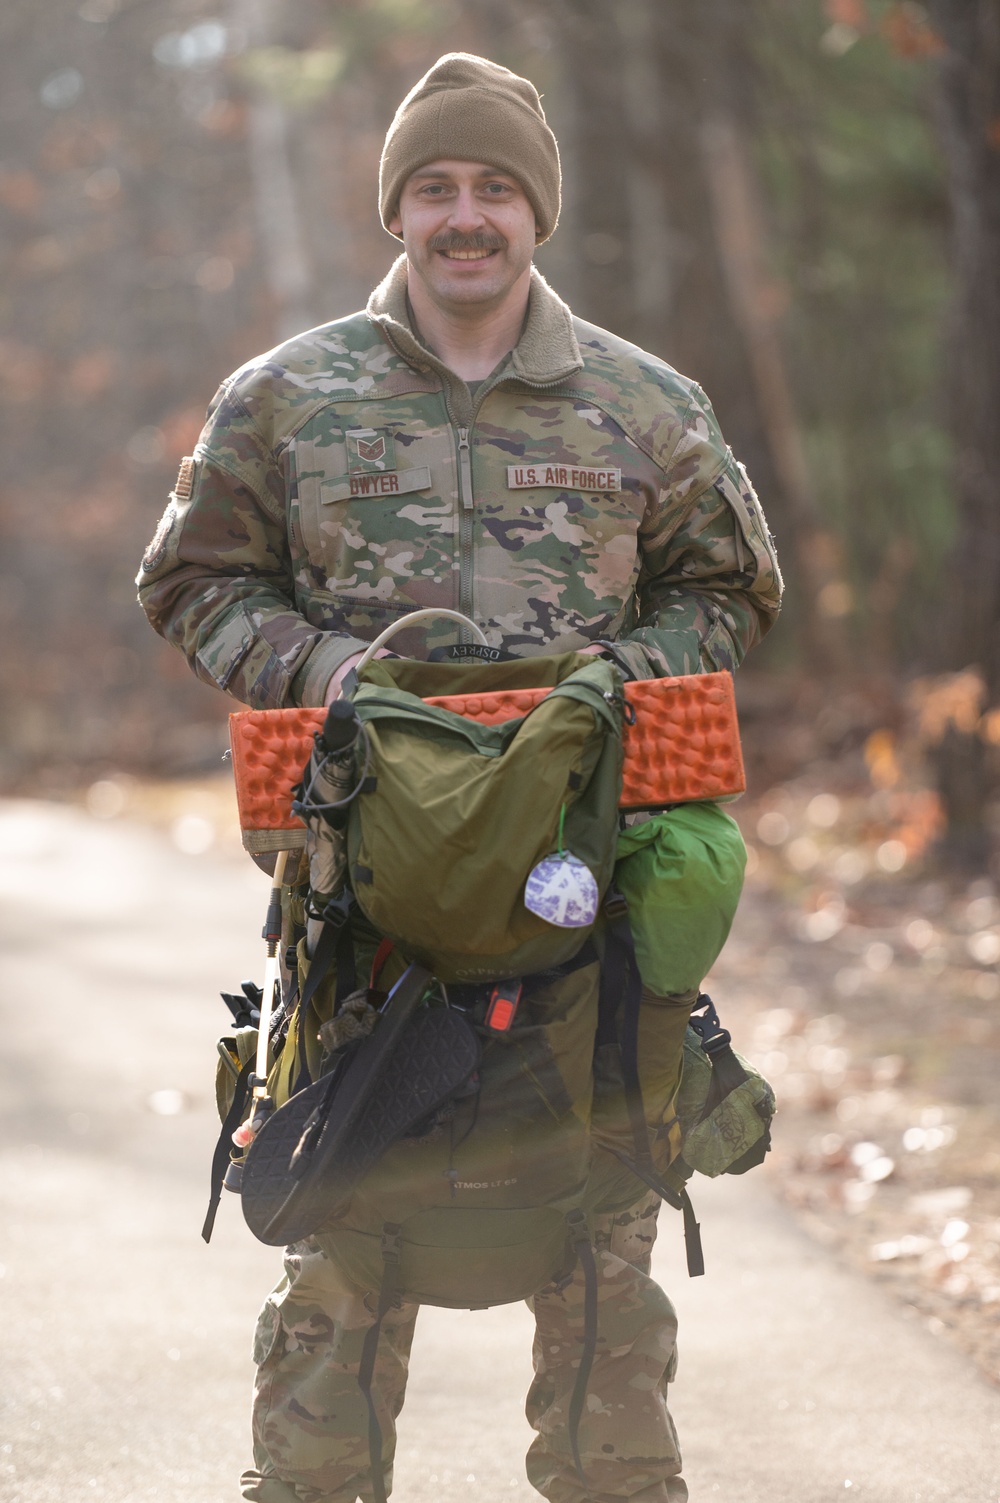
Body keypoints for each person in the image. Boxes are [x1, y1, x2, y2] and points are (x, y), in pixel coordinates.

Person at [138, 52, 782, 1503]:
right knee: (342, 1267)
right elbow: (187, 584)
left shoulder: (645, 401)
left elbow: (734, 592)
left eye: (495, 186)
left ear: (536, 210)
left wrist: (620, 680)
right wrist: (323, 679)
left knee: (607, 1254)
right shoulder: (287, 399)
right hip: (368, 906)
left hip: (589, 889)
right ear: (397, 212)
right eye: (436, 187)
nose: (466, 216)